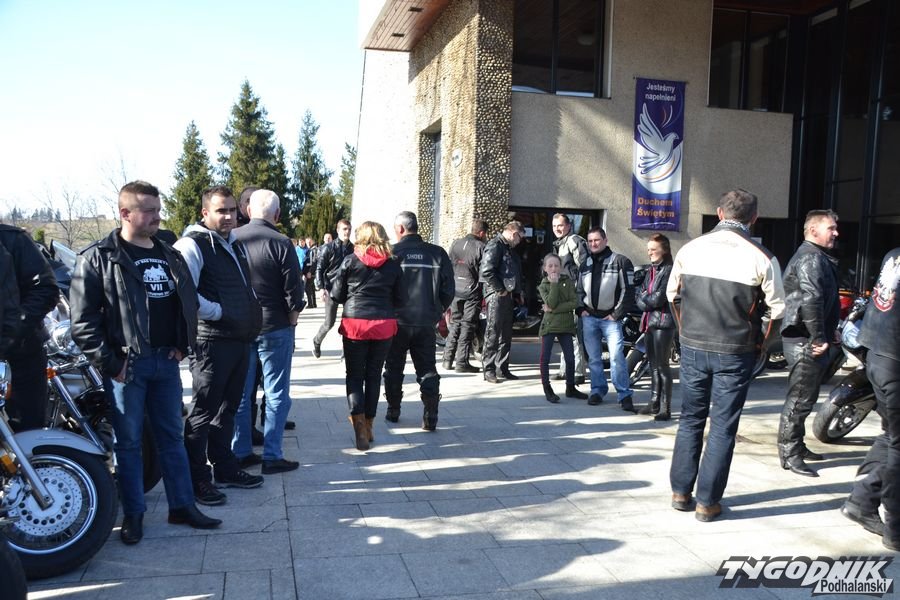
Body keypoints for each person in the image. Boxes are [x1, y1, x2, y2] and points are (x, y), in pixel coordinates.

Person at [69, 180, 220, 545]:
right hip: (127, 367)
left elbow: (186, 302)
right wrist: (112, 363)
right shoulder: (99, 257)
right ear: (125, 213)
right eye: (149, 210)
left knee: (171, 437)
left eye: (158, 209)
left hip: (165, 363)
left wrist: (182, 345)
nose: (157, 217)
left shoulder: (169, 253)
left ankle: (182, 505)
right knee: (128, 443)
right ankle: (133, 515)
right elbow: (82, 322)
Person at [666, 189, 785, 522]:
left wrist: (685, 332)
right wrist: (762, 344)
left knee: (690, 418)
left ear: (719, 213)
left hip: (694, 345)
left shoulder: (691, 249)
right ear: (754, 218)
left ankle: (680, 492)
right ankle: (707, 502)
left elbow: (672, 295)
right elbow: (777, 311)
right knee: (722, 426)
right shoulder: (763, 257)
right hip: (736, 350)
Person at [174, 185, 264, 506]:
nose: (228, 216)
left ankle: (225, 467)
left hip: (238, 339)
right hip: (211, 342)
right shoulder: (192, 244)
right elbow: (185, 291)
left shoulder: (233, 242)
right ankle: (198, 478)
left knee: (228, 409)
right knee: (203, 412)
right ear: (205, 213)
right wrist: (219, 312)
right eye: (220, 210)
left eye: (231, 210)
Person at [232, 190, 305, 474]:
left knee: (242, 394)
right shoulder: (282, 242)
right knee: (276, 393)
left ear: (249, 211)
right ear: (277, 214)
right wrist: (293, 319)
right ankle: (272, 455)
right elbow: (294, 289)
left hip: (241, 326)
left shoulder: (232, 239)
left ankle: (241, 451)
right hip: (275, 324)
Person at [840, 247, 900, 549]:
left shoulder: (893, 254)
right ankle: (896, 528)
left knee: (891, 436)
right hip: (894, 359)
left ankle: (860, 503)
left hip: (877, 355)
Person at [330, 221, 406, 450]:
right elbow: (401, 298)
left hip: (355, 324)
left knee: (354, 375)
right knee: (373, 375)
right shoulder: (393, 264)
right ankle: (370, 425)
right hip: (383, 324)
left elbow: (337, 295)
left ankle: (359, 425)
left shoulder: (350, 260)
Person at [777, 209, 841, 477]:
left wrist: (830, 330)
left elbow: (821, 300)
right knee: (800, 399)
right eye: (831, 228)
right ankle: (789, 453)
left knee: (805, 397)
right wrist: (818, 337)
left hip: (807, 337)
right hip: (804, 340)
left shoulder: (815, 256)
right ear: (813, 230)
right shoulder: (811, 258)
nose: (836, 232)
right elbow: (811, 300)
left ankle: (797, 446)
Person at [383, 211, 454, 430]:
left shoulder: (391, 253)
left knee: (393, 368)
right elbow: (448, 290)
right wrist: (436, 311)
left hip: (397, 322)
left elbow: (382, 288)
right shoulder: (437, 253)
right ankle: (430, 415)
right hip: (425, 322)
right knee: (427, 368)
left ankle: (393, 410)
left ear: (400, 229)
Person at [0, 224, 58, 431]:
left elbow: (45, 289)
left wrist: (12, 331)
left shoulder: (12, 239)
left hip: (21, 355)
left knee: (27, 431)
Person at [576, 227, 636, 411]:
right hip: (589, 318)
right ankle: (597, 390)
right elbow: (578, 290)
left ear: (605, 240)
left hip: (611, 319)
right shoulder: (585, 263)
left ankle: (624, 394)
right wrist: (580, 309)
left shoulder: (621, 261)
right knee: (594, 358)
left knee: (617, 357)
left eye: (597, 240)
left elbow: (628, 290)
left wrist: (617, 314)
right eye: (590, 241)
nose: (593, 244)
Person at [635, 233, 676, 421]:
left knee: (663, 366)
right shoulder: (651, 270)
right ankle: (654, 402)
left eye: (653, 249)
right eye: (648, 249)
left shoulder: (669, 270)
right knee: (653, 366)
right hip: (650, 322)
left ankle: (665, 408)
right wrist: (646, 300)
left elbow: (659, 298)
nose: (649, 252)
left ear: (664, 250)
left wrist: (645, 299)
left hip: (663, 324)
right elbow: (640, 295)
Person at [538, 254, 588, 403]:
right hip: (549, 325)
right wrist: (554, 284)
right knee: (545, 358)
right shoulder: (543, 285)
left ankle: (570, 387)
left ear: (560, 267)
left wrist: (553, 309)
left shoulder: (568, 281)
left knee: (570, 358)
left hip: (566, 325)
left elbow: (573, 302)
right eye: (550, 266)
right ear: (545, 269)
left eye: (556, 265)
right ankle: (547, 388)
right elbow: (551, 302)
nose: (553, 268)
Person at [479, 221, 525, 383]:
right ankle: (489, 369)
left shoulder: (507, 248)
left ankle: (502, 368)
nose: (520, 241)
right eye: (520, 237)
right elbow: (486, 271)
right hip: (496, 295)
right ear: (514, 234)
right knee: (493, 332)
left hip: (506, 295)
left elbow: (513, 271)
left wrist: (517, 293)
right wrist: (500, 289)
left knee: (505, 334)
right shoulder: (495, 245)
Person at [442, 218, 488, 373]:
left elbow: (449, 265)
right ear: (481, 233)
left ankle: (447, 359)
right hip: (471, 290)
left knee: (455, 323)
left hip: (455, 289)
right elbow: (484, 272)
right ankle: (462, 362)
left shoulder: (456, 243)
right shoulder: (481, 247)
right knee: (468, 325)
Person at [552, 213, 588, 385]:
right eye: (554, 226)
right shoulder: (560, 243)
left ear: (568, 226)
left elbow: (584, 269)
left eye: (560, 225)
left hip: (573, 296)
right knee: (564, 332)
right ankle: (565, 370)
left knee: (574, 334)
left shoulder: (574, 241)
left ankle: (578, 372)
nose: (557, 229)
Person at [313, 221, 353, 358]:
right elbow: (319, 269)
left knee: (349, 321)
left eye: (349, 229)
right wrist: (320, 288)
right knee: (329, 323)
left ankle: (346, 350)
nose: (347, 232)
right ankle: (317, 341)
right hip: (331, 289)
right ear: (338, 230)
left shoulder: (353, 248)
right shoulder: (328, 248)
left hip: (348, 290)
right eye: (344, 229)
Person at [303, 237, 318, 308]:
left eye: (310, 242)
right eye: (307, 242)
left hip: (311, 272)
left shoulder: (314, 250)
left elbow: (314, 262)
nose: (308, 243)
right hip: (308, 271)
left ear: (313, 242)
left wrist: (310, 271)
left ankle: (310, 304)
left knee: (307, 287)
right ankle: (314, 303)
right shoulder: (309, 250)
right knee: (312, 287)